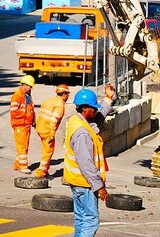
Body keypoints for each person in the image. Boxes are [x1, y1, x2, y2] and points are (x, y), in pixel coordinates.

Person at [64, 85, 114, 236]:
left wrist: (108, 99)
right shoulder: (83, 133)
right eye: (94, 108)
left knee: (81, 219)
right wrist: (100, 187)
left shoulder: (77, 120)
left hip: (77, 182)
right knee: (91, 220)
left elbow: (97, 119)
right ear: (85, 109)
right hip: (85, 183)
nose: (96, 110)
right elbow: (86, 164)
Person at [35, 84, 71, 178]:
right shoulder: (60, 105)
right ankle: (41, 172)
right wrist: (51, 133)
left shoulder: (49, 100)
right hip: (47, 130)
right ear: (63, 94)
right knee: (48, 151)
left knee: (45, 149)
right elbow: (54, 121)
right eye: (67, 94)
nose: (68, 96)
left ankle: (45, 171)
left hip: (40, 128)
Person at [10, 75, 36, 174]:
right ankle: (23, 166)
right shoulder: (18, 96)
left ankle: (17, 164)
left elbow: (30, 109)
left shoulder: (27, 95)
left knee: (23, 145)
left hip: (26, 125)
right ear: (24, 85)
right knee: (22, 146)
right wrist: (26, 116)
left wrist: (33, 120)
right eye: (30, 86)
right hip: (20, 125)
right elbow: (14, 111)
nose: (31, 88)